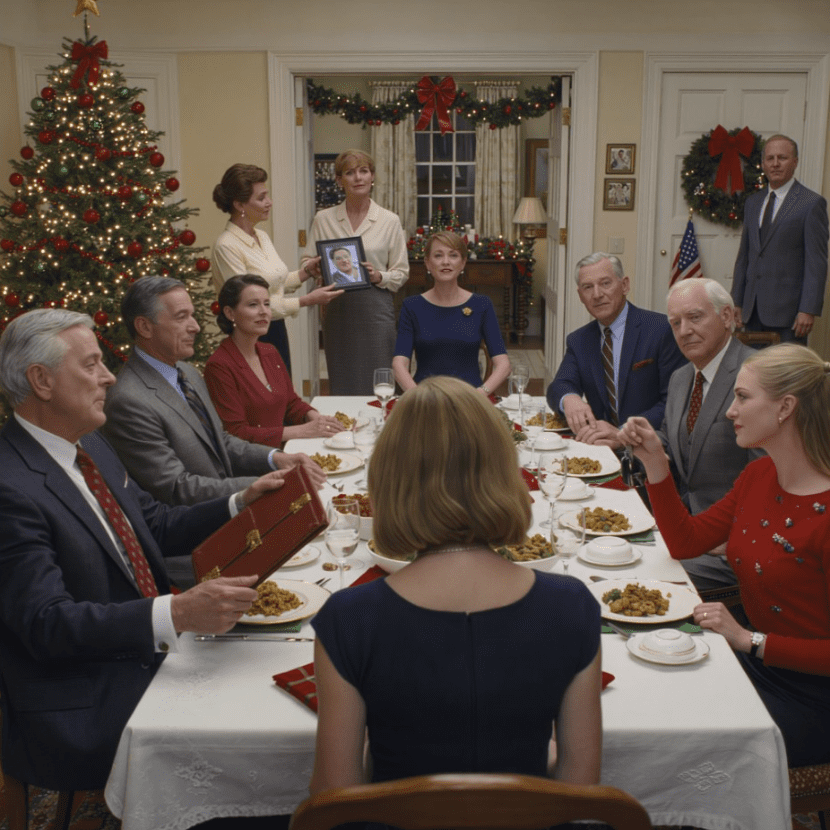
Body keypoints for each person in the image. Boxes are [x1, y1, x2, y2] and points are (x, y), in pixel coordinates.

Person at [0, 309, 282, 791]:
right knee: (255, 747)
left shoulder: (90, 443)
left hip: (141, 651)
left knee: (270, 682)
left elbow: (154, 525)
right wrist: (175, 613)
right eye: (91, 365)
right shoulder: (10, 486)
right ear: (41, 380)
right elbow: (47, 624)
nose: (109, 377)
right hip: (85, 695)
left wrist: (239, 502)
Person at [310, 376, 602, 793]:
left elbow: (334, 798)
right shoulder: (571, 606)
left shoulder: (349, 618)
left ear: (389, 480)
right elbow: (580, 788)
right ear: (504, 472)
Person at [619, 344, 830, 766]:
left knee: (676, 741)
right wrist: (655, 462)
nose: (731, 411)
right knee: (644, 692)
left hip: (814, 698)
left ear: (786, 407)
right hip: (758, 665)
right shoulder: (758, 475)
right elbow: (686, 542)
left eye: (743, 397)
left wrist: (749, 640)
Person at [102, 277, 325, 584]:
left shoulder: (188, 373)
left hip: (233, 521)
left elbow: (222, 441)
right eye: (182, 317)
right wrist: (255, 487)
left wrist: (276, 458)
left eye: (193, 315)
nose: (195, 326)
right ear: (144, 327)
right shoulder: (129, 400)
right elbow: (176, 489)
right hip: (199, 549)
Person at [659, 278, 763, 589]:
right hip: (685, 529)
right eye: (676, 323)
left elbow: (771, 477)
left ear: (727, 316)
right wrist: (631, 440)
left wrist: (734, 537)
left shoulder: (756, 374)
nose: (684, 331)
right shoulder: (681, 378)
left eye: (695, 317)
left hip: (732, 543)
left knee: (646, 579)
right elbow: (671, 444)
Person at [211, 163, 343, 374]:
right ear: (239, 205)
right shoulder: (226, 246)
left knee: (282, 389)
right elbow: (246, 304)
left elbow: (273, 283)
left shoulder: (261, 236)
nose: (269, 202)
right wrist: (305, 301)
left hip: (275, 329)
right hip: (250, 337)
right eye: (261, 198)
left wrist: (307, 272)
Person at [547, 252, 686, 448]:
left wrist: (623, 433)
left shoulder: (661, 330)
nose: (597, 294)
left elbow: (674, 403)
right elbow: (559, 385)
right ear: (580, 296)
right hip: (600, 449)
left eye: (605, 283)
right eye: (588, 287)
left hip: (649, 449)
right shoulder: (579, 340)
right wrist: (569, 399)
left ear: (624, 285)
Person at [303, 149, 409, 395]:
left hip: (376, 308)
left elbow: (401, 272)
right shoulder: (323, 219)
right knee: (343, 380)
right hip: (337, 309)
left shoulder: (389, 220)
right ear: (339, 180)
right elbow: (306, 260)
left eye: (364, 171)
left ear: (372, 177)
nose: (358, 177)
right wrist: (314, 267)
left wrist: (379, 276)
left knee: (381, 379)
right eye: (350, 173)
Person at [204, 275, 345, 446]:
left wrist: (318, 419)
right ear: (229, 313)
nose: (264, 311)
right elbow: (236, 433)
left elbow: (291, 404)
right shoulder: (219, 366)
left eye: (267, 304)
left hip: (286, 447)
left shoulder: (269, 351)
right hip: (257, 458)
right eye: (253, 305)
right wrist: (302, 431)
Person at [732, 134, 829, 344]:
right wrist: (736, 302)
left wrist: (808, 309)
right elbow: (744, 256)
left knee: (785, 367)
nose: (775, 164)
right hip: (751, 311)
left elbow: (816, 262)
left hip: (789, 316)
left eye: (782, 158)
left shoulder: (811, 203)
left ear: (795, 162)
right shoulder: (753, 202)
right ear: (763, 164)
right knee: (753, 365)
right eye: (770, 158)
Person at [392, 231, 511, 394]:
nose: (445, 262)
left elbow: (503, 365)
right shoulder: (411, 306)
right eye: (438, 255)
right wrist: (418, 396)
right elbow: (399, 364)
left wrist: (480, 394)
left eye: (453, 255)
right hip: (425, 396)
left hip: (470, 397)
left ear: (463, 263)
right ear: (427, 263)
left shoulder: (482, 305)